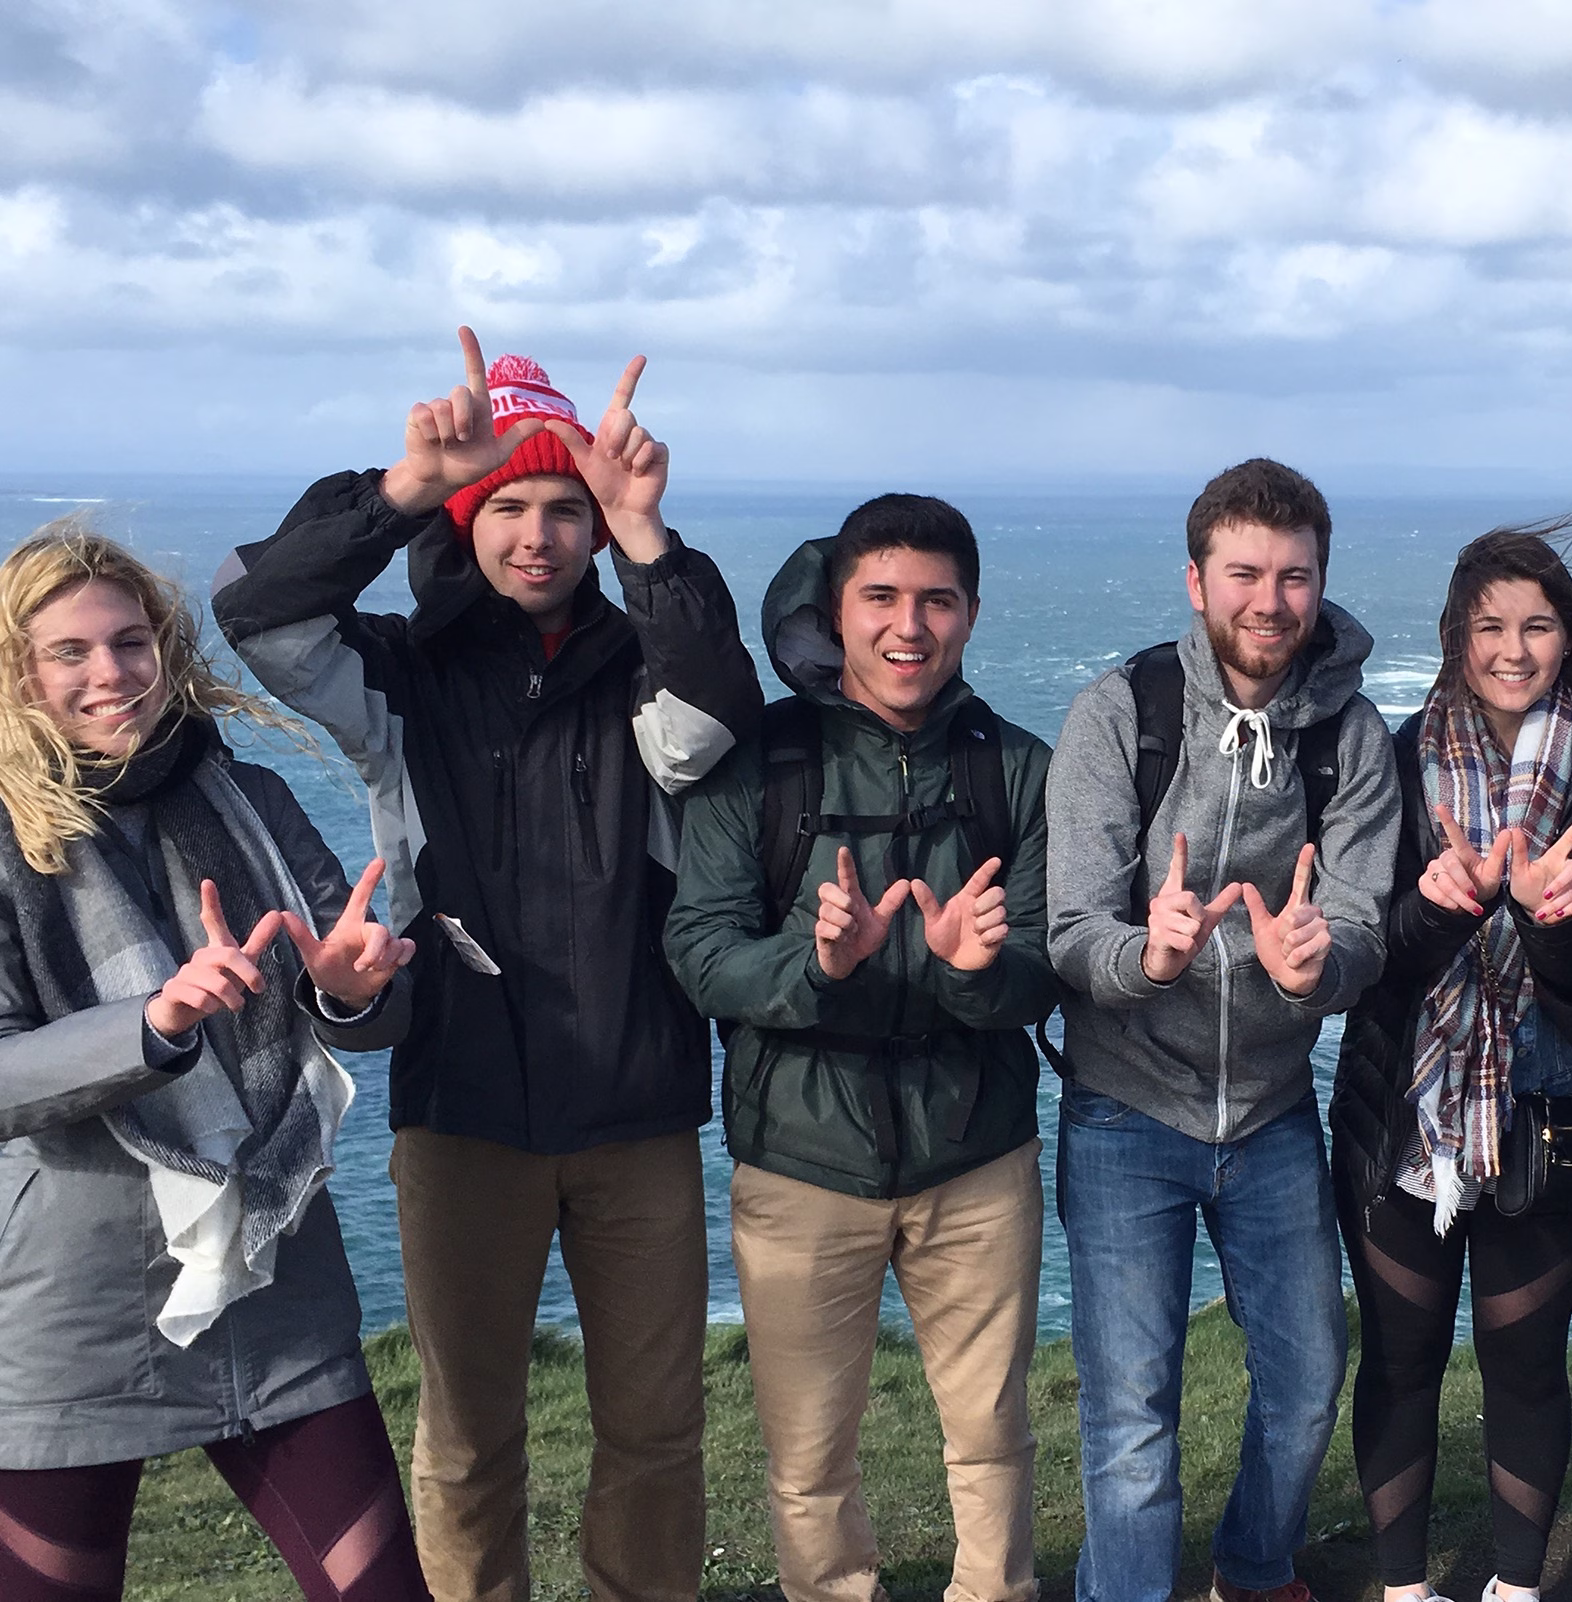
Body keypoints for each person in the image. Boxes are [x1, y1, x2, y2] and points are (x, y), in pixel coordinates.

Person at [212, 329, 763, 1602]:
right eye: (506, 505)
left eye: (565, 509)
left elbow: (721, 717)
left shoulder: (645, 667)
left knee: (655, 1432)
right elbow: (255, 606)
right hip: (459, 1104)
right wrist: (397, 490)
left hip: (636, 1106)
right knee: (467, 1442)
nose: (538, 534)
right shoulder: (396, 677)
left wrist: (649, 538)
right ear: (465, 522)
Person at [0, 524, 428, 1601]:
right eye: (71, 651)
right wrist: (153, 1024)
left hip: (275, 1280)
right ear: (20, 673)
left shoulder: (253, 800)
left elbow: (360, 1015)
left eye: (131, 641)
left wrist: (351, 989)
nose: (111, 672)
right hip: (72, 1309)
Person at [664, 494, 1056, 1602]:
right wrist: (816, 965)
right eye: (880, 597)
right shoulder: (765, 766)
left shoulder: (1012, 770)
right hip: (799, 1165)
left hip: (976, 1159)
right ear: (834, 615)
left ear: (972, 613)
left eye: (937, 600)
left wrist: (976, 970)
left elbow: (1044, 975)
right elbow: (697, 952)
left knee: (992, 1436)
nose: (909, 627)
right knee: (808, 1459)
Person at [1046, 457, 1402, 1602]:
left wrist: (1319, 967)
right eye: (1244, 573)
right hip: (1124, 1108)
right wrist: (1144, 958)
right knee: (1132, 1416)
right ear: (1196, 583)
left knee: (1305, 1382)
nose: (1270, 600)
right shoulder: (1122, 714)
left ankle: (1254, 1568)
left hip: (1270, 1110)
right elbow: (1068, 932)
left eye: (1294, 577)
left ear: (1321, 583)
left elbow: (1358, 930)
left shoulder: (1349, 734)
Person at [1327, 523, 1572, 1602]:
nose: (1514, 649)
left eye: (1537, 625)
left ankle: (1516, 1589)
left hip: (1549, 1100)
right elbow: (1368, 953)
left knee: (1524, 1367)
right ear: (1456, 639)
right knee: (1398, 1359)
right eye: (1490, 627)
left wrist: (1546, 912)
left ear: (1568, 637)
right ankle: (1403, 1587)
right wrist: (1445, 908)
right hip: (1403, 1108)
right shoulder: (1390, 755)